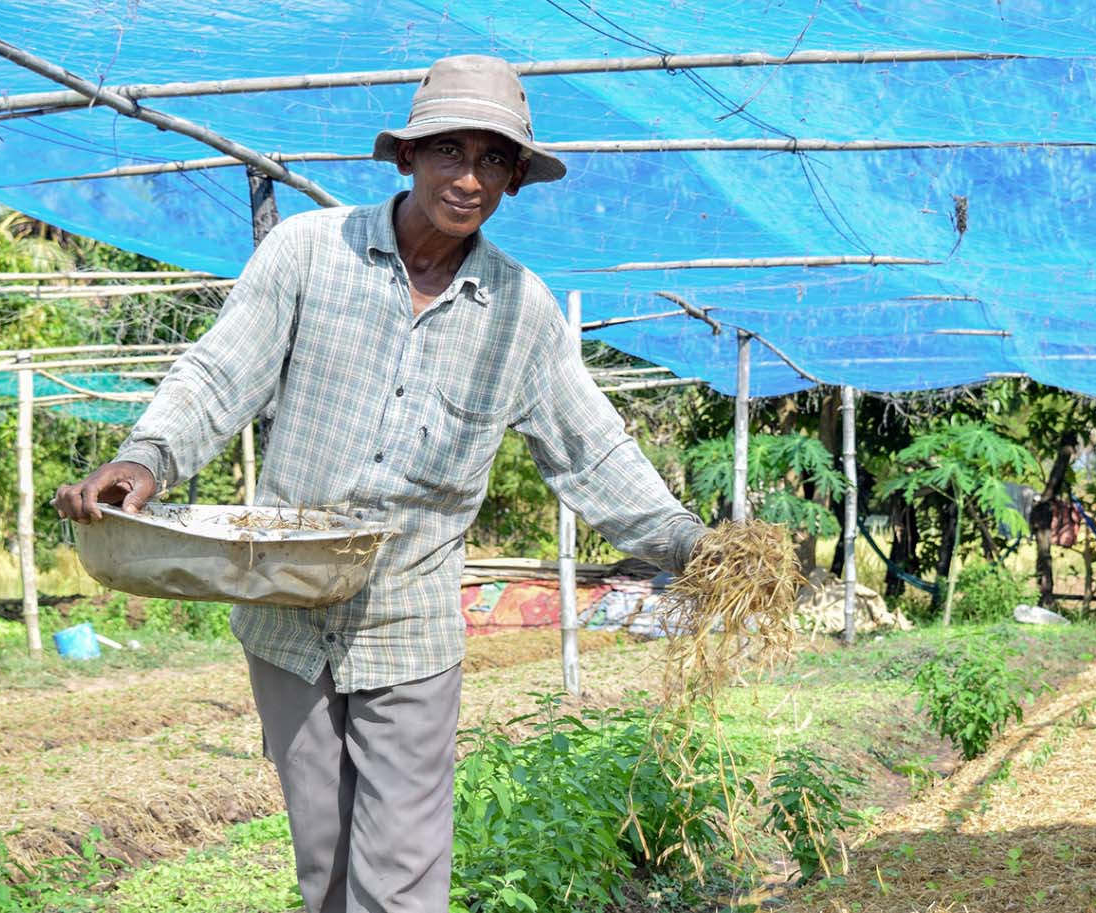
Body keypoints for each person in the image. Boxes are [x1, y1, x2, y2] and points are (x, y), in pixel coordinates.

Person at [54, 54, 708, 913]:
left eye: (493, 160)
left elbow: (593, 456)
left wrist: (695, 546)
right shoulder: (306, 254)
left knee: (399, 876)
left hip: (409, 623)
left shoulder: (521, 312)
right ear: (407, 157)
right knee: (322, 860)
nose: (467, 178)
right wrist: (145, 459)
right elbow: (219, 377)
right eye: (448, 150)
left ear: (514, 181)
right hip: (286, 610)